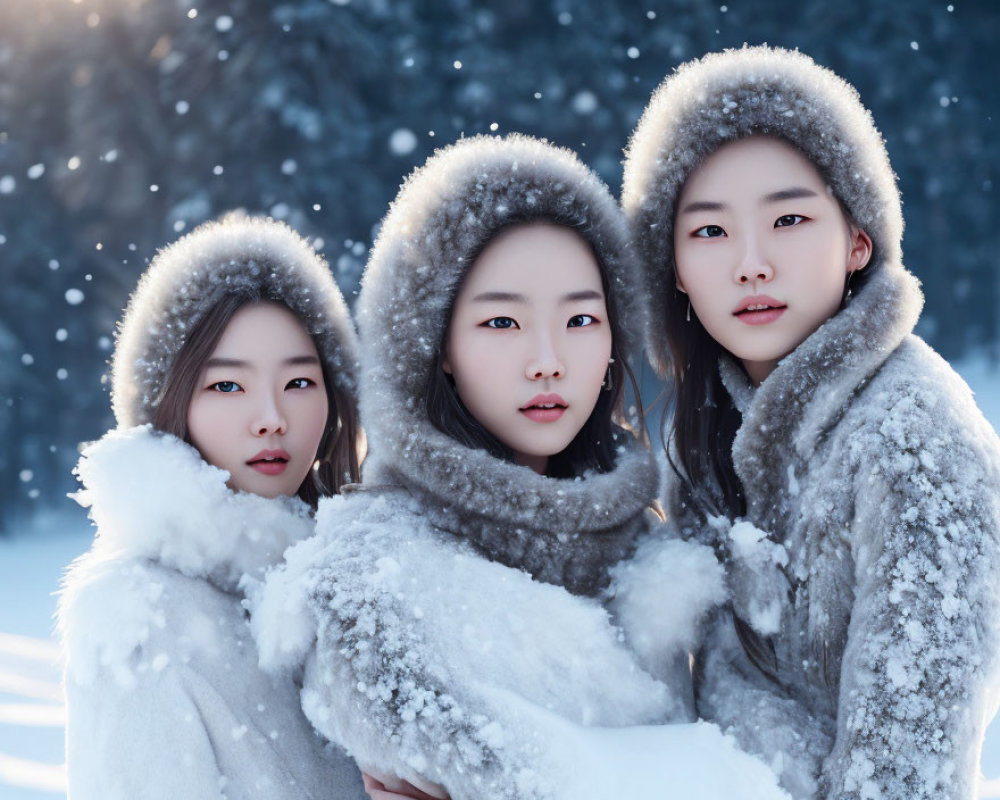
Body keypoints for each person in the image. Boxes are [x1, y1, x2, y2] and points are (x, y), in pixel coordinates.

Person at [249, 135, 783, 800]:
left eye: (581, 319)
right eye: (503, 322)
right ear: (435, 344)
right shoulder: (374, 584)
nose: (548, 359)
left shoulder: (656, 554)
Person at [622, 45, 1000, 799]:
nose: (751, 264)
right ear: (674, 273)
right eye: (709, 232)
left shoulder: (917, 444)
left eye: (789, 218)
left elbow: (904, 780)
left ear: (858, 240)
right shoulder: (706, 433)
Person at [57, 216, 367, 799]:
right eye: (227, 386)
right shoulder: (141, 614)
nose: (272, 416)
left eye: (300, 382)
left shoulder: (356, 583)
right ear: (170, 403)